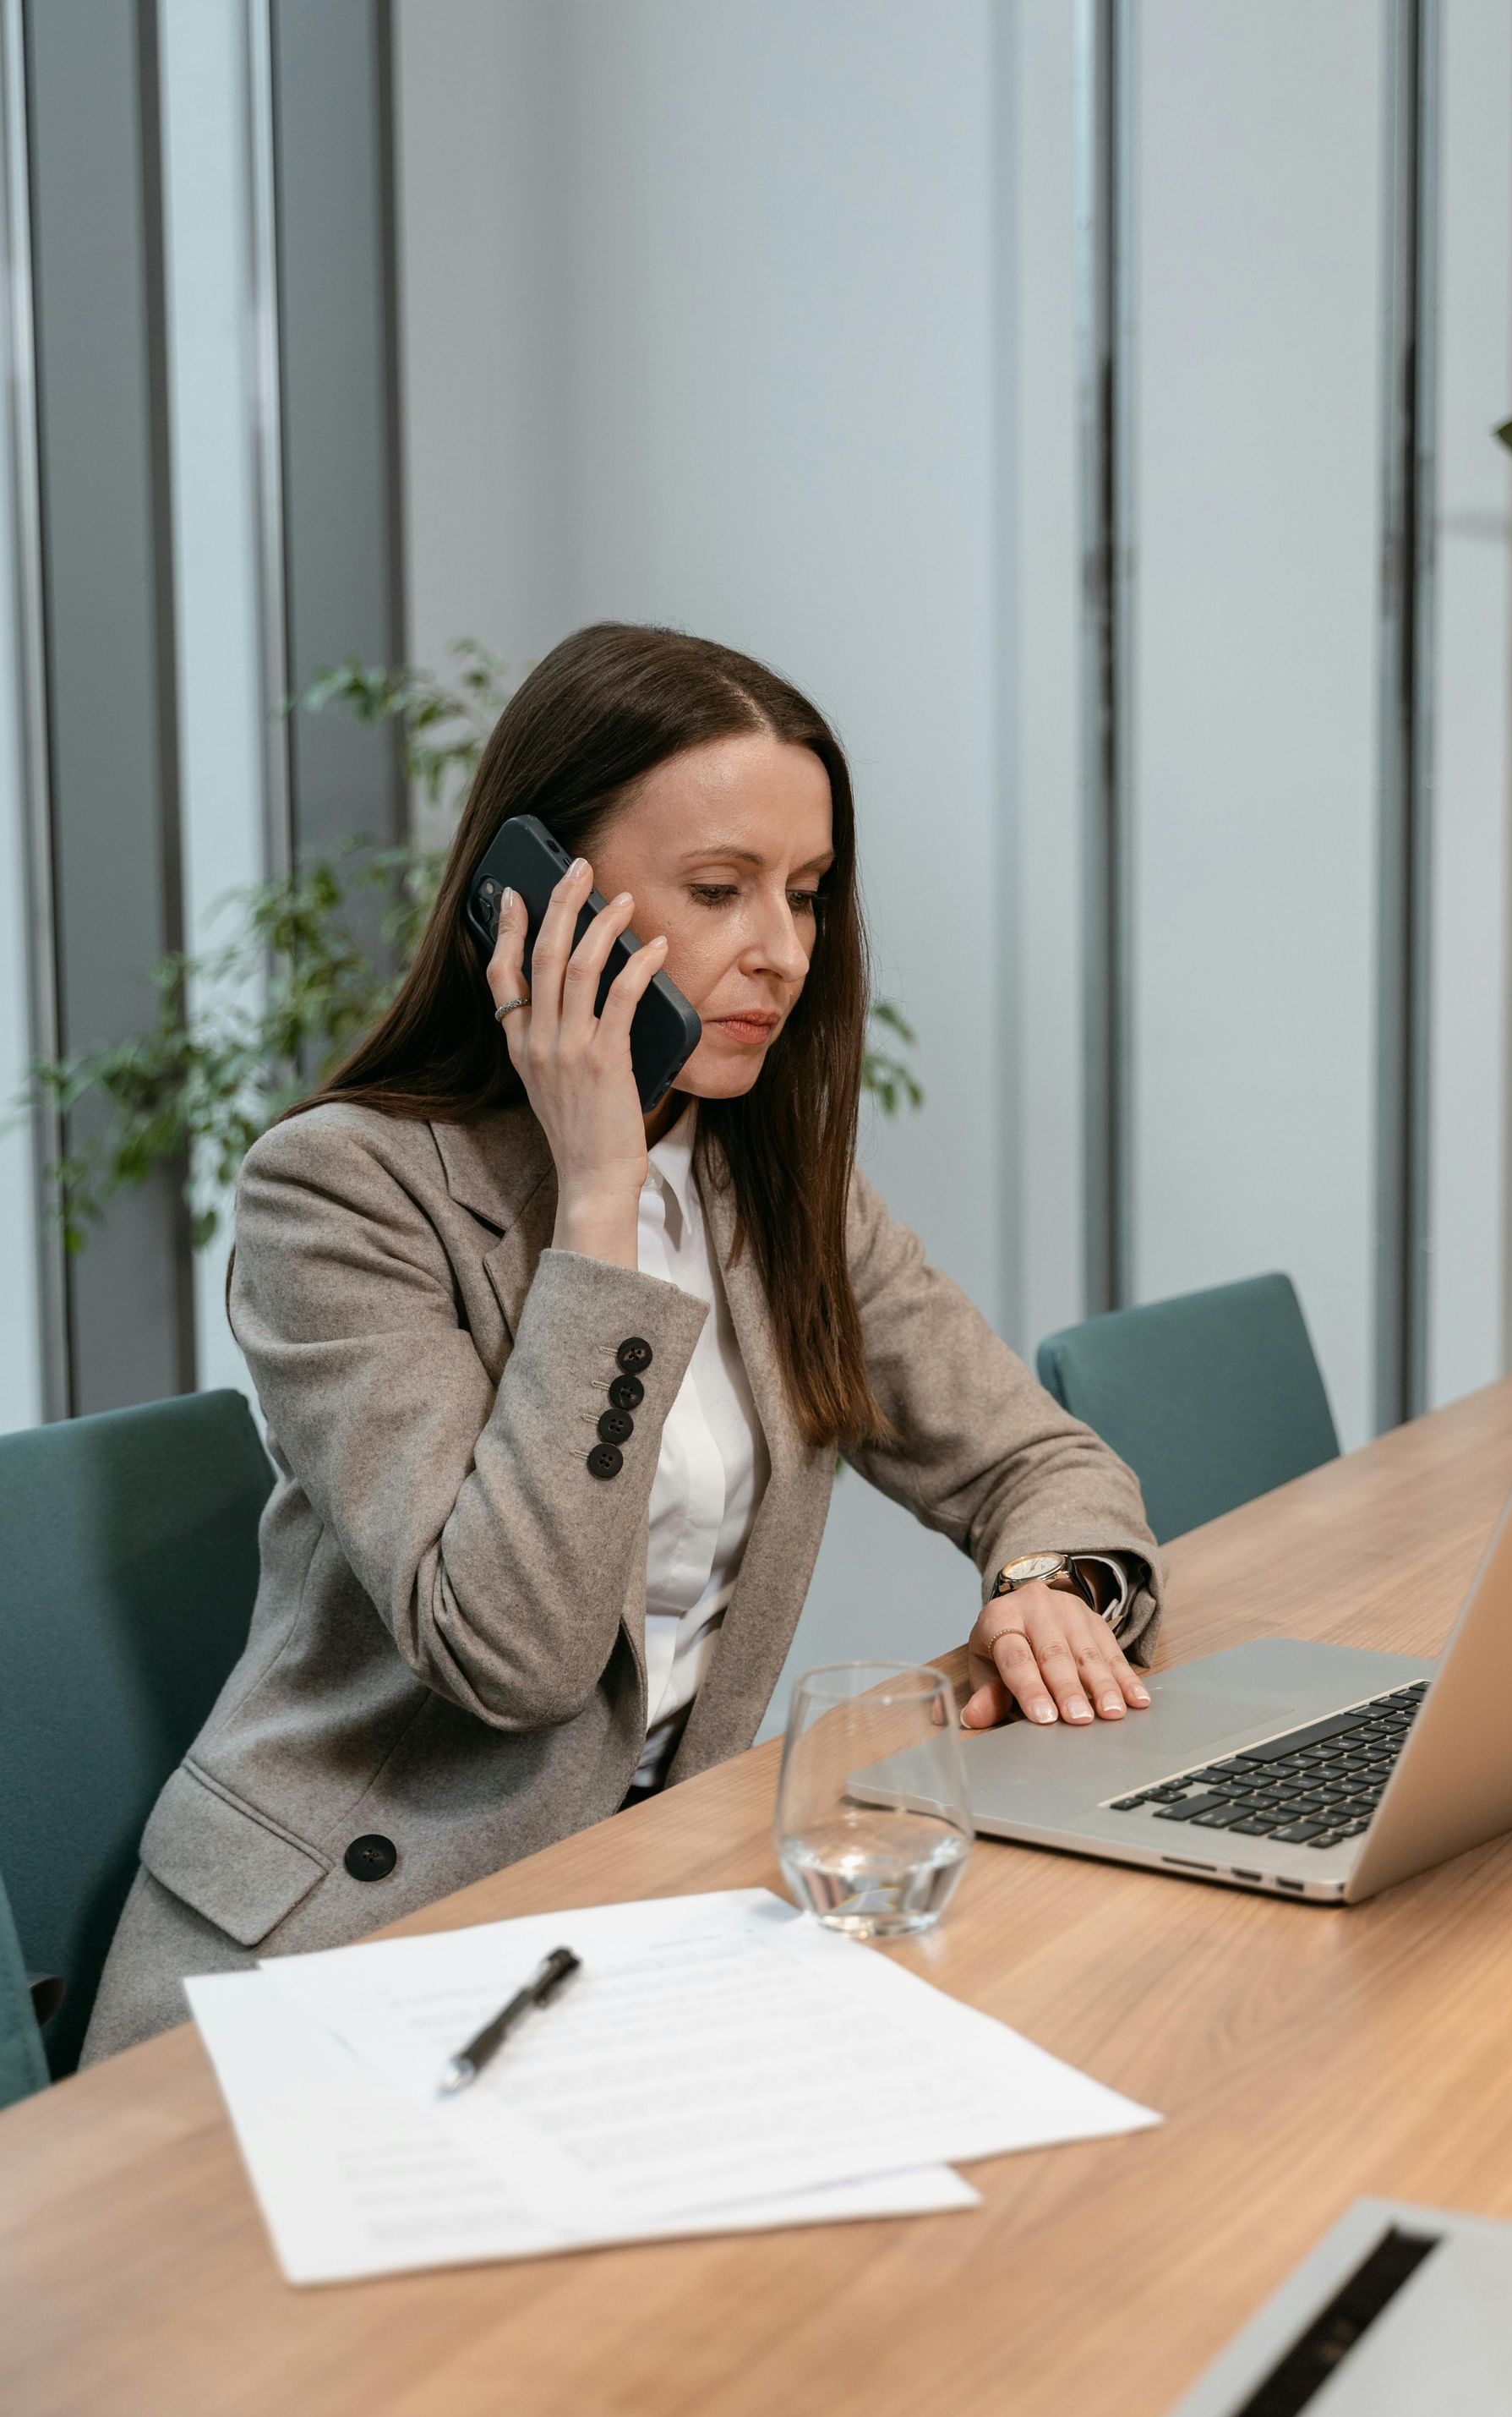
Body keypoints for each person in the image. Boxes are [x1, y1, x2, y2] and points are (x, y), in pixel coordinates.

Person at [83, 623, 1162, 2061]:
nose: (780, 952)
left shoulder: (776, 1193)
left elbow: (1040, 1460)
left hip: (635, 1924)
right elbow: (518, 1655)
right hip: (342, 1963)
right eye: (719, 891)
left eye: (808, 893)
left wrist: (1049, 1586)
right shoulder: (342, 1193)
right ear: (539, 902)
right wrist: (598, 1194)